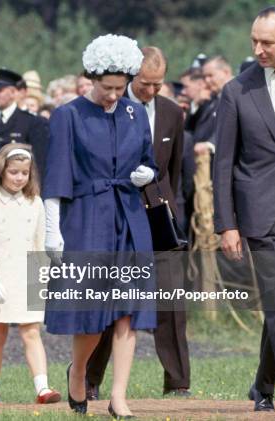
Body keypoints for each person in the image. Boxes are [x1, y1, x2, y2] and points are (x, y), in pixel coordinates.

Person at [43, 34, 157, 417]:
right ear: (91, 79)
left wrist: (146, 173)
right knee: (90, 314)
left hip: (129, 215)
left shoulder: (135, 112)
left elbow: (148, 158)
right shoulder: (68, 115)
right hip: (87, 218)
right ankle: (78, 373)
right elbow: (56, 176)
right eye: (106, 88)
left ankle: (118, 396)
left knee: (129, 311)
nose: (113, 95)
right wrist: (51, 228)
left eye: (119, 88)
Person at [85, 46, 189, 400]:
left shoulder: (173, 113)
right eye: (145, 83)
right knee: (112, 301)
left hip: (159, 213)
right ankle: (88, 378)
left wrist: (171, 210)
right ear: (132, 76)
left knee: (172, 297)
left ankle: (178, 381)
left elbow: (174, 170)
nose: (151, 91)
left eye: (158, 85)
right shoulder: (111, 106)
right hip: (119, 213)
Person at [213, 6, 275, 412]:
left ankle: (262, 386)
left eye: (267, 42)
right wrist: (227, 224)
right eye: (254, 40)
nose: (258, 49)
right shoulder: (236, 90)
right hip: (259, 216)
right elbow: (224, 163)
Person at [0, 143, 60, 405]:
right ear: (1, 171)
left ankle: (42, 387)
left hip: (27, 275)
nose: (19, 178)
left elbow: (39, 244)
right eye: (14, 172)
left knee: (31, 331)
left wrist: (42, 279)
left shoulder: (36, 203)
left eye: (24, 173)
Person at [0, 68, 49, 207]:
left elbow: (39, 167)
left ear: (13, 92)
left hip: (17, 198)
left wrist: (35, 199)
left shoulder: (32, 122)